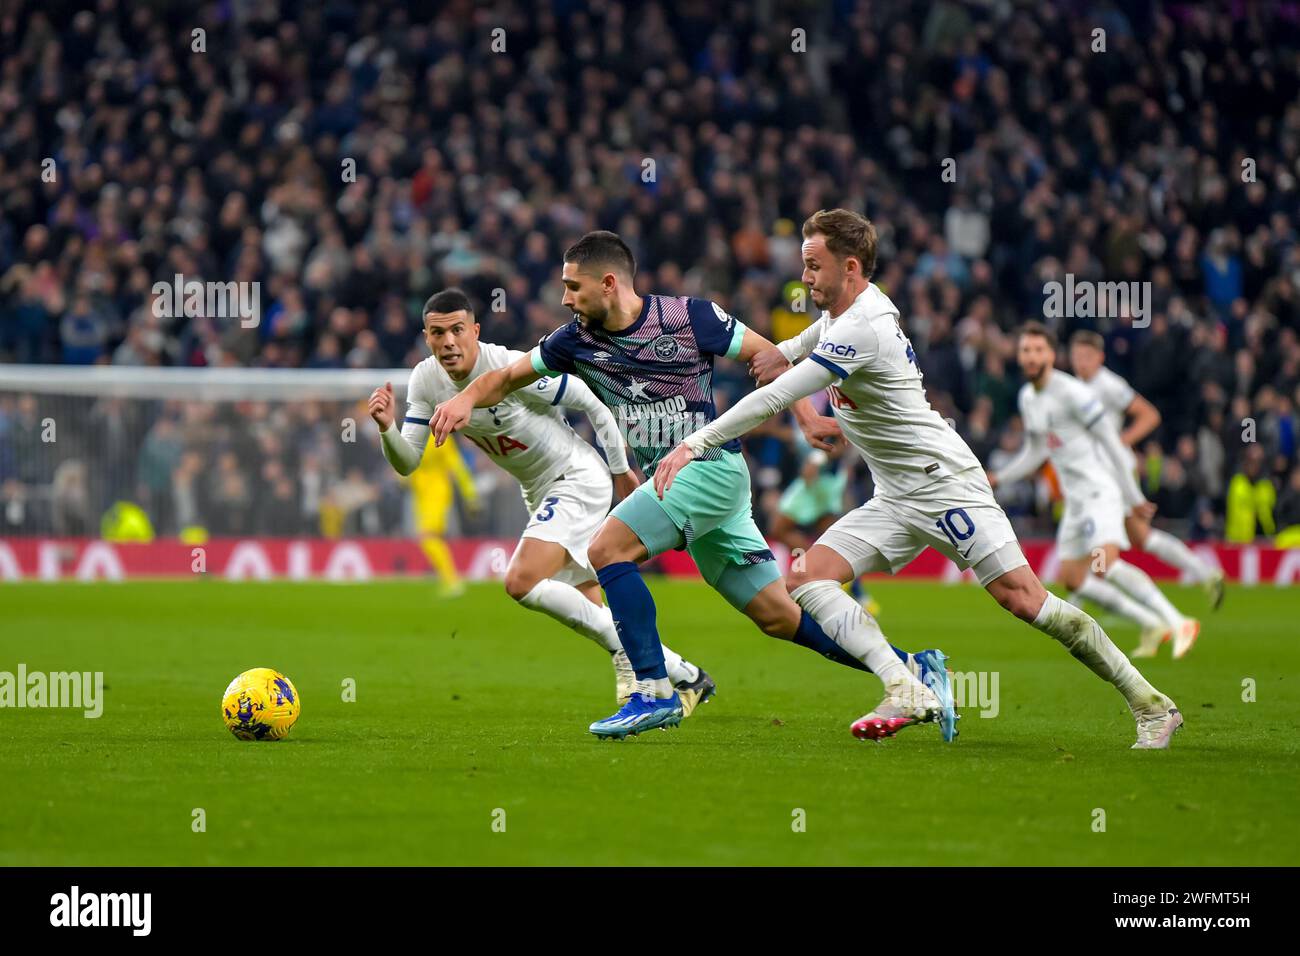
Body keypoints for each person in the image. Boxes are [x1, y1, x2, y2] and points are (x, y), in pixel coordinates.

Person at [654, 209, 1182, 749]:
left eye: (814, 267)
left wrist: (696, 441)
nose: (805, 278)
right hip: (896, 495)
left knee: (1025, 600)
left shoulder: (864, 326)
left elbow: (778, 394)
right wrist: (761, 350)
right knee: (807, 578)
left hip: (944, 483)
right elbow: (789, 352)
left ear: (851, 267)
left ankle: (1150, 704)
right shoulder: (844, 313)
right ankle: (904, 686)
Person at [431, 233, 950, 740]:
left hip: (709, 467)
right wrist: (462, 401)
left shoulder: (688, 317)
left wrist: (806, 418)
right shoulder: (574, 340)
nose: (566, 298)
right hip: (685, 484)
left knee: (607, 549)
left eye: (573, 287)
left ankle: (654, 691)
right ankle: (910, 671)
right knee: (778, 616)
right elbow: (504, 377)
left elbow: (767, 357)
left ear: (608, 283)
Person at [369, 288, 713, 713]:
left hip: (575, 477)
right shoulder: (425, 380)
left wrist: (619, 469)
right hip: (538, 490)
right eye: (438, 333)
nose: (449, 342)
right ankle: (685, 675)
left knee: (520, 582)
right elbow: (407, 463)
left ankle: (637, 661)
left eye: (458, 330)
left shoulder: (508, 368)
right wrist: (387, 428)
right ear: (427, 337)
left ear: (475, 331)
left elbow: (589, 398)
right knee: (592, 604)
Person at [1068, 330, 1225, 611]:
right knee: (1140, 537)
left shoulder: (1109, 385)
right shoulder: (1075, 386)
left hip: (1112, 470)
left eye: (1087, 356)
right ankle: (1205, 573)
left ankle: (1081, 597)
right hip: (1095, 469)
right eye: (1077, 356)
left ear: (1100, 358)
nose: (1081, 362)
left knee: (1099, 529)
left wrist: (1119, 442)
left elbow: (1150, 415)